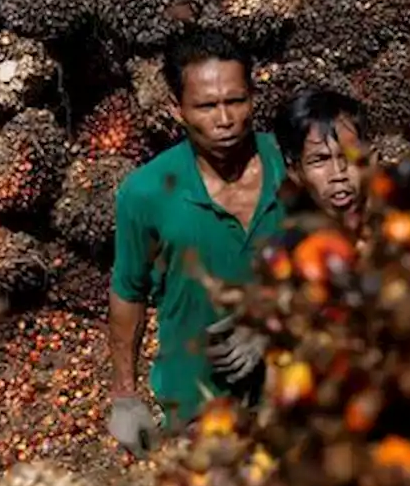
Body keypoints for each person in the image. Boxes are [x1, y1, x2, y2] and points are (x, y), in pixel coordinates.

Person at [106, 28, 285, 458]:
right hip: (198, 405)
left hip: (295, 390)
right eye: (206, 106)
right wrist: (125, 397)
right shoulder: (145, 193)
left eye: (236, 101)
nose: (224, 120)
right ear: (178, 109)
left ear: (253, 98)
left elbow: (339, 262)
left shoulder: (291, 164)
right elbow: (128, 292)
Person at [273, 89, 372, 239]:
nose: (338, 174)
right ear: (294, 171)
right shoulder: (289, 254)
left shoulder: (403, 232)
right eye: (320, 160)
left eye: (349, 156)